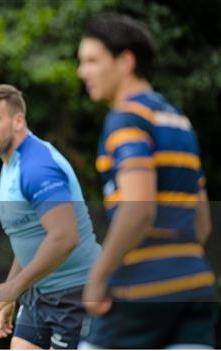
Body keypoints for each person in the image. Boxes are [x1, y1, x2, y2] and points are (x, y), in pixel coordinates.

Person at [77, 14, 216, 348]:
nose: (82, 72)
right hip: (194, 289)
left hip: (138, 293)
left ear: (126, 61)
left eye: (92, 61)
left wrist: (97, 280)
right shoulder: (178, 120)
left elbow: (138, 210)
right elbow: (202, 224)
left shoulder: (126, 119)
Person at [0, 84, 101, 349]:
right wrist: (11, 292)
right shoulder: (11, 164)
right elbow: (30, 235)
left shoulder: (37, 167)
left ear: (18, 120)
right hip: (40, 292)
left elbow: (65, 237)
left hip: (77, 294)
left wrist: (15, 287)